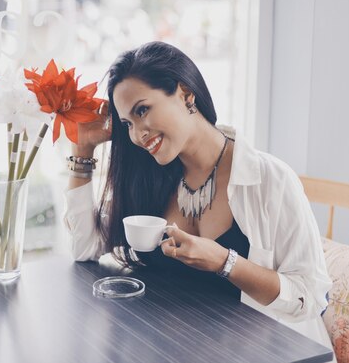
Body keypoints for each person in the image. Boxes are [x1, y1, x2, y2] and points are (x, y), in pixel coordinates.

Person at [63, 41, 333, 348]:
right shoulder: (150, 177)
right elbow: (85, 248)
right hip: (174, 347)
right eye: (127, 124)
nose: (138, 135)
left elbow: (310, 297)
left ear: (185, 94)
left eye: (143, 110)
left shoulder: (269, 180)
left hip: (259, 352)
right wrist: (82, 152)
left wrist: (224, 262)